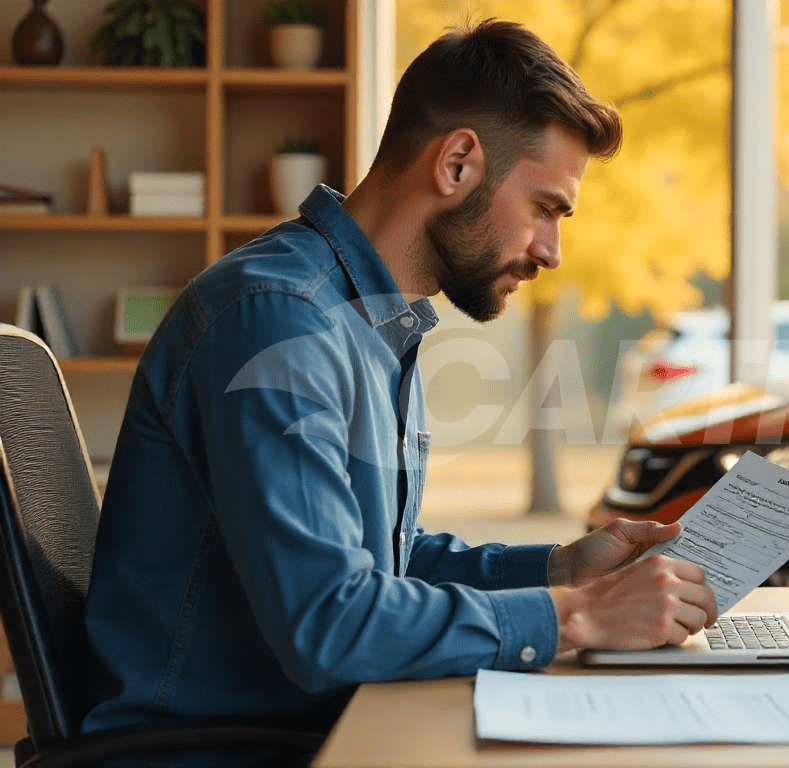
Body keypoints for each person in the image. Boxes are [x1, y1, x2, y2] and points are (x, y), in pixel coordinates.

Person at [82, 18, 718, 742]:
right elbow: (330, 623)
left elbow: (381, 560)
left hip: (316, 728)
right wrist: (581, 615)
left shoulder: (369, 320)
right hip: (210, 754)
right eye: (546, 208)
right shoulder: (278, 322)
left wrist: (562, 567)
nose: (552, 251)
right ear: (457, 165)